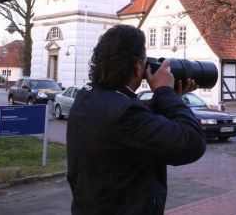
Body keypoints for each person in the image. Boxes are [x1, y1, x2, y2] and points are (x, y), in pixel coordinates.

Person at [66, 24, 206, 215]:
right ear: (138, 66)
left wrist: (172, 98)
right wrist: (165, 92)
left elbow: (134, 125)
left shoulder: (87, 97)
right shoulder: (124, 114)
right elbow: (193, 143)